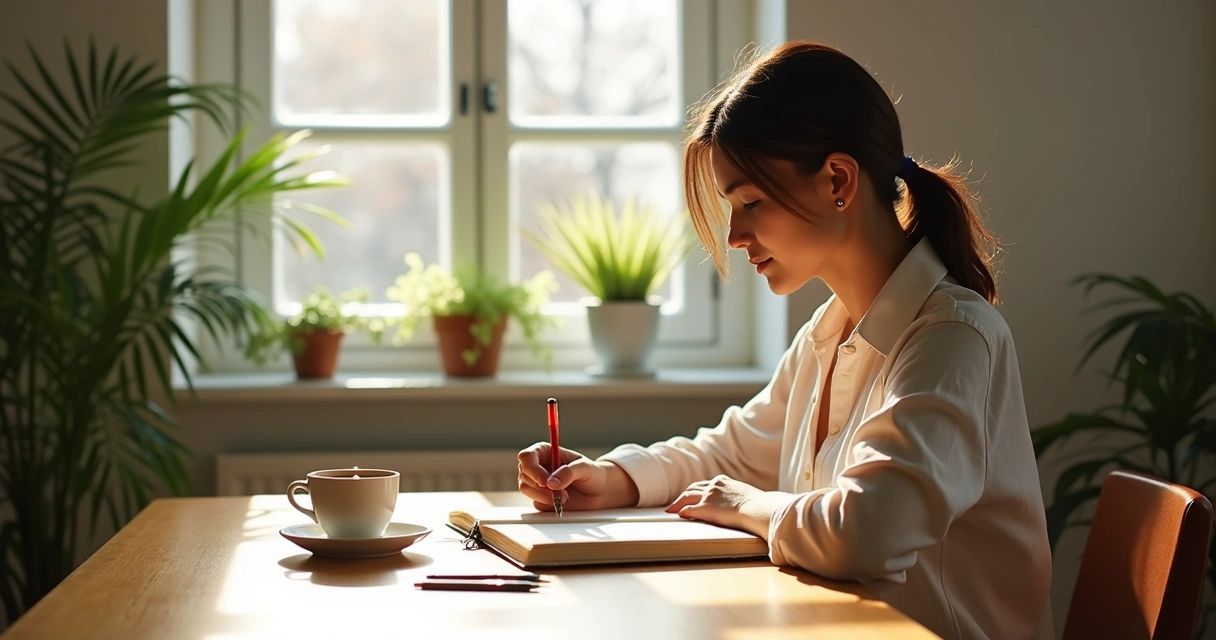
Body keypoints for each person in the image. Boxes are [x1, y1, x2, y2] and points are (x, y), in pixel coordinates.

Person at [517, 41, 1053, 640]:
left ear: (837, 180)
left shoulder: (951, 337)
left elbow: (868, 533)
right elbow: (732, 454)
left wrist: (748, 505)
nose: (737, 234)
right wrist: (612, 479)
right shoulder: (830, 330)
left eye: (751, 201)